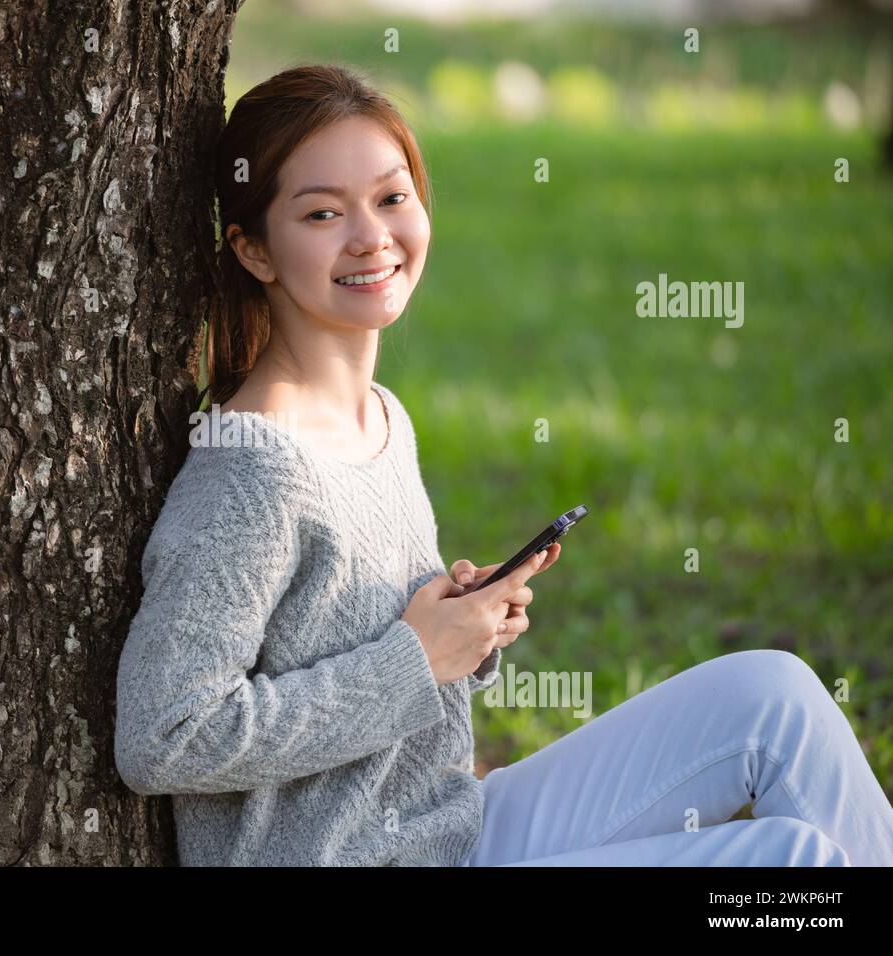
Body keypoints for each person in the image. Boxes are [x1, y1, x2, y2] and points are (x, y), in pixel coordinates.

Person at [113, 63, 893, 867]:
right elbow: (164, 734)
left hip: (450, 833)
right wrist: (414, 661)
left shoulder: (381, 416)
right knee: (793, 865)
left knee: (776, 698)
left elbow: (356, 655)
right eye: (321, 213)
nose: (371, 236)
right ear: (255, 250)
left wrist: (459, 629)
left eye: (391, 198)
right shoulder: (252, 468)